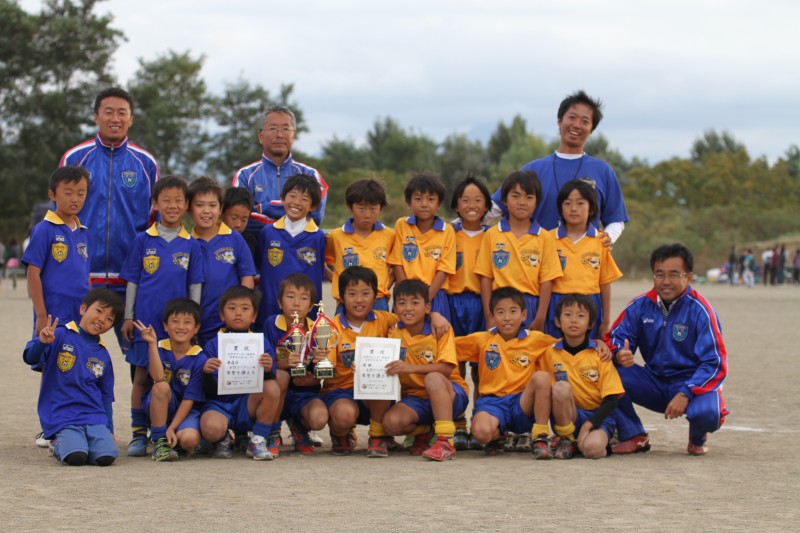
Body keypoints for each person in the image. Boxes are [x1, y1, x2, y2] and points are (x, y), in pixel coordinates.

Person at [607, 243, 729, 455]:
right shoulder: (640, 305)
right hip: (654, 382)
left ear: (688, 277)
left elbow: (715, 363)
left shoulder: (701, 310)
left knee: (709, 414)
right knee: (606, 375)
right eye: (659, 274)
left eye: (674, 275)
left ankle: (698, 437)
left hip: (690, 384)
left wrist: (687, 391)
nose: (665, 282)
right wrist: (619, 353)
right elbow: (614, 338)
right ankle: (634, 434)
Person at [58, 88, 159, 345]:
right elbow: (59, 217)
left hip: (130, 276)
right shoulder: (75, 158)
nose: (115, 118)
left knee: (141, 355)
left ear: (131, 119)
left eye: (122, 113)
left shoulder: (145, 163)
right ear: (95, 116)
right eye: (108, 112)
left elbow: (154, 219)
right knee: (70, 348)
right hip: (82, 274)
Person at [321, 266, 450, 457]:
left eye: (366, 293)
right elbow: (327, 366)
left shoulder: (385, 320)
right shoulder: (332, 327)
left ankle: (377, 436)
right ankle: (340, 433)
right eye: (352, 294)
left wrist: (435, 315)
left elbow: (413, 313)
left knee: (380, 375)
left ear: (376, 296)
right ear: (341, 296)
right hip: (342, 391)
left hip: (374, 392)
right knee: (343, 416)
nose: (359, 299)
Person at [119, 176, 204, 457]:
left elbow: (195, 285)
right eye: (166, 200)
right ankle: (138, 434)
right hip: (146, 323)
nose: (172, 205)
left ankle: (164, 430)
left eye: (179, 200)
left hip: (177, 327)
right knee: (141, 378)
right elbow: (132, 280)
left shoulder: (191, 244)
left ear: (186, 205)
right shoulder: (143, 240)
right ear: (155, 203)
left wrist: (191, 324)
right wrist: (129, 316)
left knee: (170, 379)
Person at [489, 90, 628, 243]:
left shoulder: (603, 171)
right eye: (572, 117)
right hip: (536, 260)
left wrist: (607, 238)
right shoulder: (533, 169)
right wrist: (462, 225)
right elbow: (494, 207)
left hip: (583, 262)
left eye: (585, 121)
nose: (577, 125)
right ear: (560, 121)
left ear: (591, 130)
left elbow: (616, 219)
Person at [23, 288, 123, 466]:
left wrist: (110, 431)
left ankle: (94, 441)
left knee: (106, 457)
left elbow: (106, 397)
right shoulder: (59, 335)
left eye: (109, 319)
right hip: (63, 415)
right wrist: (41, 342)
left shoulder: (103, 353)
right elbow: (29, 357)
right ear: (83, 309)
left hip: (93, 415)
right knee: (76, 457)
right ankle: (57, 444)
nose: (102, 319)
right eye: (99, 311)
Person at [455, 287, 556, 458]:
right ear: (492, 317)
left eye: (513, 311)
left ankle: (540, 437)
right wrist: (435, 318)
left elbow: (567, 347)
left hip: (522, 403)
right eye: (500, 312)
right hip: (493, 403)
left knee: (542, 378)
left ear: (524, 315)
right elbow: (447, 346)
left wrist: (598, 344)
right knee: (480, 433)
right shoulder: (483, 340)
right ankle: (499, 435)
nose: (507, 317)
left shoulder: (536, 339)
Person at [382, 280, 469, 462]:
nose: (408, 308)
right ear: (394, 307)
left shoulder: (441, 328)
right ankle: (426, 430)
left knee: (434, 378)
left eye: (415, 303)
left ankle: (445, 441)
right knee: (390, 424)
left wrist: (410, 368)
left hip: (450, 392)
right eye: (402, 303)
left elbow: (446, 368)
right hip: (416, 398)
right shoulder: (392, 331)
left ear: (427, 306)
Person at [200, 286, 281, 461]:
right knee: (211, 429)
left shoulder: (262, 343)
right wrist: (206, 372)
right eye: (232, 308)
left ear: (253, 316)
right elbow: (208, 390)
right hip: (220, 405)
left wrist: (268, 368)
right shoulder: (212, 345)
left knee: (272, 387)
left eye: (245, 309)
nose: (238, 313)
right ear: (222, 315)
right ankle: (223, 438)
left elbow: (269, 380)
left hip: (248, 404)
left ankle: (258, 439)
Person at [475, 171, 562, 332]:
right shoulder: (492, 235)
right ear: (504, 200)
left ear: (537, 202)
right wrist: (489, 315)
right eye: (515, 196)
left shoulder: (544, 237)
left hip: (531, 306)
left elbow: (547, 281)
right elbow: (486, 277)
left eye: (529, 197)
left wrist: (540, 318)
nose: (522, 202)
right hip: (499, 305)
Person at [538, 294, 623, 459]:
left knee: (592, 450)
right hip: (569, 415)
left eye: (581, 316)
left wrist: (587, 427)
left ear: (591, 323)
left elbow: (612, 399)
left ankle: (597, 439)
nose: (574, 320)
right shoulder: (549, 352)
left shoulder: (600, 354)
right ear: (557, 321)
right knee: (561, 388)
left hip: (597, 418)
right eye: (568, 315)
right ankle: (566, 439)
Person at [444, 175, 492, 449]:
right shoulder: (449, 233)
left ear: (486, 205)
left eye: (478, 200)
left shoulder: (493, 236)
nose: (472, 205)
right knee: (455, 364)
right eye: (465, 200)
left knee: (483, 366)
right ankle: (458, 421)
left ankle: (480, 417)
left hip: (482, 303)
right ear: (456, 205)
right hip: (453, 303)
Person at [232, 105, 328, 232]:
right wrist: (294, 214)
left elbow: (314, 217)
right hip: (256, 248)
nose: (279, 135)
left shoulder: (311, 174)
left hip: (299, 247)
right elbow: (241, 218)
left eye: (286, 129)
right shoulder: (245, 175)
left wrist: (261, 208)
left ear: (293, 135)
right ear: (260, 136)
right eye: (273, 128)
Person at [546, 179, 622, 339]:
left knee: (587, 356)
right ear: (560, 207)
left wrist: (606, 321)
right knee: (555, 355)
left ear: (592, 208)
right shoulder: (548, 239)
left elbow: (605, 283)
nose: (573, 209)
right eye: (567, 203)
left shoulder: (601, 240)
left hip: (590, 304)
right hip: (557, 303)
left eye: (580, 203)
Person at [22, 167, 91, 343]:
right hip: (53, 313)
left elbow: (86, 274)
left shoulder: (84, 233)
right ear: (52, 194)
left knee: (77, 362)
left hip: (79, 313)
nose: (75, 199)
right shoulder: (43, 230)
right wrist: (41, 315)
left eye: (81, 193)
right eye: (68, 193)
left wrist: (89, 307)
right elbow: (32, 273)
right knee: (51, 363)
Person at [134, 299, 206, 462]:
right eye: (175, 321)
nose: (181, 327)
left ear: (196, 328)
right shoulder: (158, 348)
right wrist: (152, 344)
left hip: (186, 411)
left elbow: (189, 399)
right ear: (165, 326)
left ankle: (173, 436)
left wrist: (172, 428)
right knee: (161, 387)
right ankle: (160, 442)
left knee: (189, 440)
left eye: (187, 322)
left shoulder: (199, 357)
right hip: (161, 404)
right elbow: (158, 378)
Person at [188, 177, 256, 347]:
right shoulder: (185, 243)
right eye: (199, 205)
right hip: (197, 326)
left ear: (220, 210)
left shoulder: (235, 239)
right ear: (189, 209)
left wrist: (239, 312)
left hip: (229, 326)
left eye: (212, 205)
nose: (206, 211)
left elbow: (247, 279)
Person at [263, 273, 325, 455]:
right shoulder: (271, 324)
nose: (296, 303)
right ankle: (273, 432)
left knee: (319, 418)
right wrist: (282, 363)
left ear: (311, 306)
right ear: (280, 302)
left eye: (303, 298)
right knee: (280, 377)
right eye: (290, 297)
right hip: (277, 391)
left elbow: (325, 373)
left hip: (304, 392)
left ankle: (299, 426)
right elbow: (264, 361)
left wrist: (315, 373)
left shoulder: (318, 329)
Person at [256, 174, 327, 324]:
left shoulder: (318, 237)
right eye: (292, 196)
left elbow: (319, 270)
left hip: (306, 311)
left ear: (313, 206)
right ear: (282, 198)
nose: (296, 202)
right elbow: (261, 263)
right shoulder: (268, 232)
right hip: (270, 306)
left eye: (304, 199)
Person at [388, 173, 457, 320]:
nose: (424, 204)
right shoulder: (402, 225)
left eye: (431, 199)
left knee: (435, 337)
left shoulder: (447, 230)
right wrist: (408, 295)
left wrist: (425, 299)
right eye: (418, 199)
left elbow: (445, 269)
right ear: (409, 202)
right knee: (402, 337)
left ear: (438, 204)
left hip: (435, 295)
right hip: (406, 295)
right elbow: (397, 263)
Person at [325, 178, 394, 312]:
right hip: (346, 301)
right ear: (350, 206)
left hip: (378, 301)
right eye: (361, 208)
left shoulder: (389, 235)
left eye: (373, 209)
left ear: (381, 207)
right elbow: (320, 262)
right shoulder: (336, 236)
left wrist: (383, 287)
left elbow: (397, 266)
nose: (367, 215)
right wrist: (337, 282)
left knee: (378, 333)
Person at [221, 186, 258, 267]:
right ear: (221, 213)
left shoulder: (248, 241)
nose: (238, 225)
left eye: (244, 220)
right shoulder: (211, 236)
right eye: (234, 218)